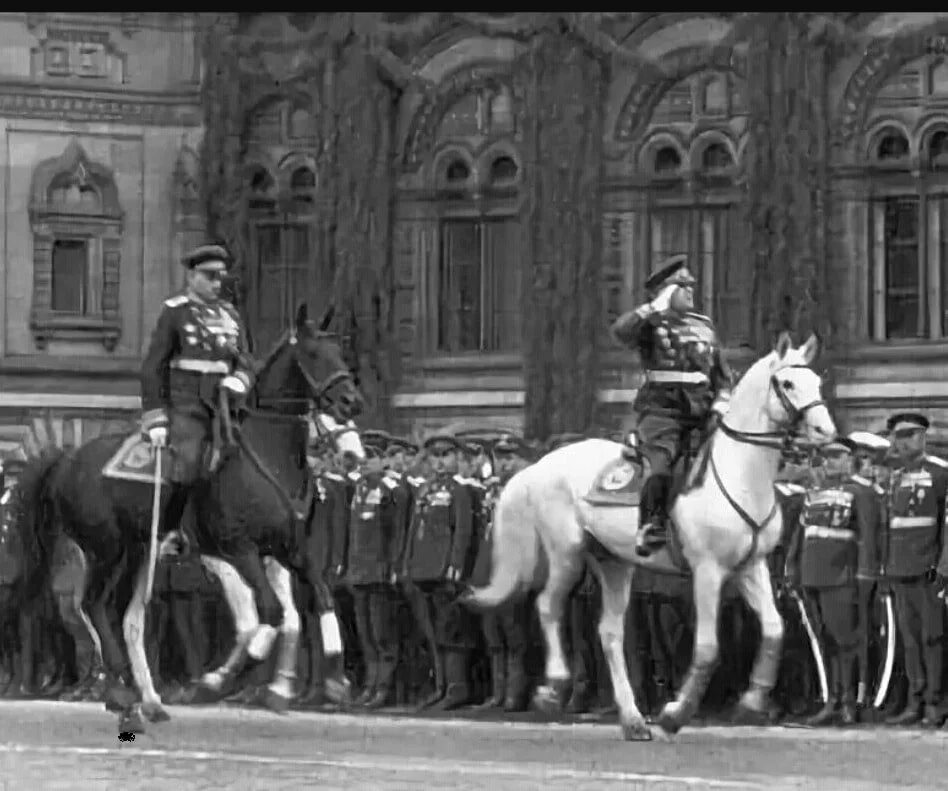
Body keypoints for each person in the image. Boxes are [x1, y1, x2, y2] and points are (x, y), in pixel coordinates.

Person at [609, 254, 733, 558]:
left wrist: (719, 407)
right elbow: (620, 332)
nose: (690, 291)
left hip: (703, 414)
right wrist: (653, 307)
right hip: (662, 413)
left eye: (690, 286)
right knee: (661, 468)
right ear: (666, 291)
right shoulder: (650, 324)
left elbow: (723, 377)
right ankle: (651, 525)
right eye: (682, 286)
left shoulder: (704, 326)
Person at [140, 243, 255, 537]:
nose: (217, 284)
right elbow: (153, 367)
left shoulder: (231, 316)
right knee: (188, 462)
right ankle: (171, 531)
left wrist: (239, 379)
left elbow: (246, 360)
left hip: (225, 409)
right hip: (186, 407)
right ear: (191, 277)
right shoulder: (175, 313)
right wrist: (156, 418)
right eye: (209, 276)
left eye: (220, 278)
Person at [881, 413, 948, 728]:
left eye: (910, 435)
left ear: (924, 437)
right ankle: (915, 700)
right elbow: (889, 527)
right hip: (899, 568)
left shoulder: (941, 473)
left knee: (932, 637)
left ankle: (935, 702)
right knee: (909, 640)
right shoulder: (894, 477)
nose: (903, 441)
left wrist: (943, 568)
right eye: (898, 436)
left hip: (929, 570)